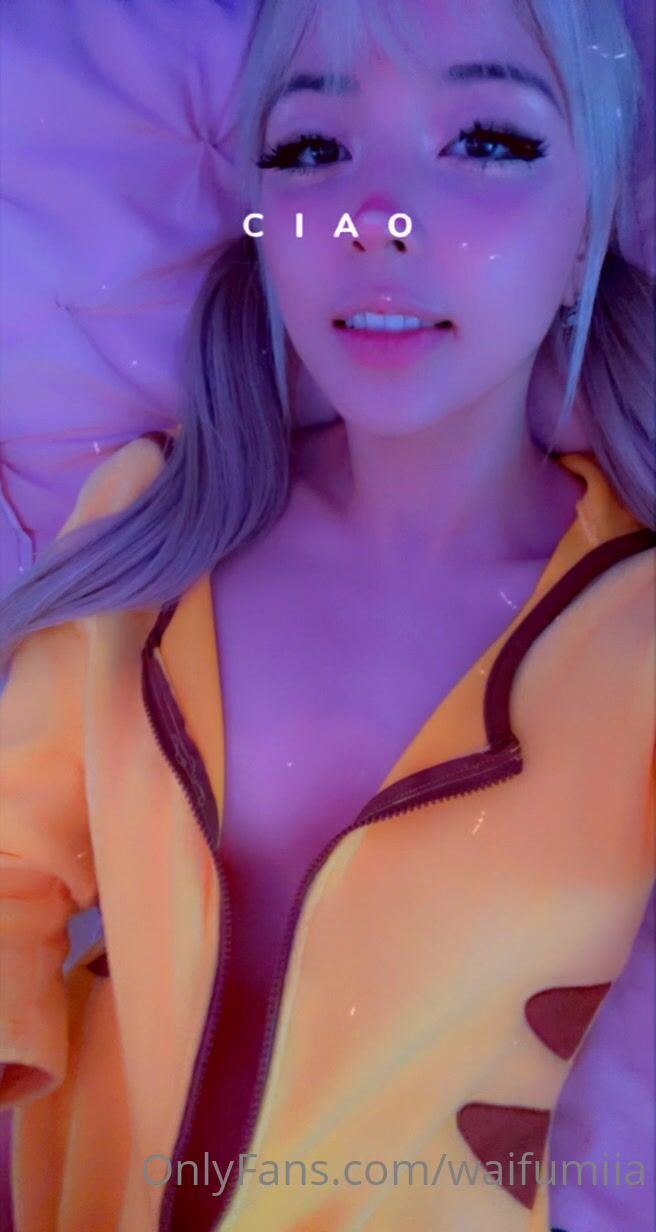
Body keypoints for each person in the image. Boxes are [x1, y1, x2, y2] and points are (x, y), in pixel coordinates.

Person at [0, 0, 653, 1229]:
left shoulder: (637, 639)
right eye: (310, 149)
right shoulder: (148, 525)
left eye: (487, 141)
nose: (373, 220)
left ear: (586, 231)